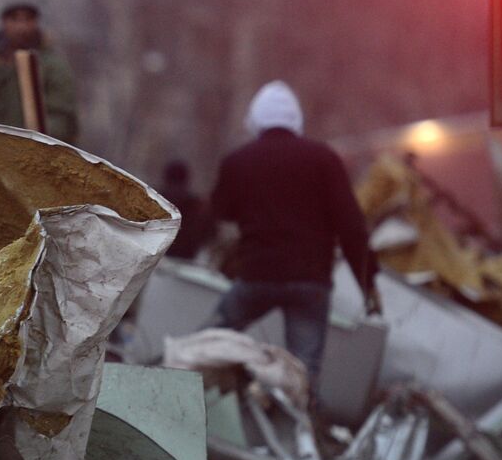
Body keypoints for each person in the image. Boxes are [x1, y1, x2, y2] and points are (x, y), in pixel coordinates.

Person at [206, 80, 380, 387]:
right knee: (302, 371)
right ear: (296, 119)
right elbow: (351, 227)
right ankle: (296, 422)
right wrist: (367, 283)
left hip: (257, 276)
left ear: (256, 118)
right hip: (309, 280)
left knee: (210, 342)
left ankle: (188, 389)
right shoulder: (324, 159)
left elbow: (221, 211)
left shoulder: (238, 161)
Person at [0, 0, 80, 144]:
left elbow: (65, 122)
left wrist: (33, 138)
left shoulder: (53, 67)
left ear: (36, 21)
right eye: (14, 18)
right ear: (3, 21)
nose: (21, 27)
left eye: (28, 19)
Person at [159, 160, 215, 260]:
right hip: (186, 262)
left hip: (156, 257)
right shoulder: (198, 206)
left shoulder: (153, 200)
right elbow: (211, 233)